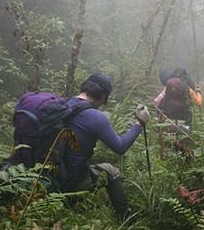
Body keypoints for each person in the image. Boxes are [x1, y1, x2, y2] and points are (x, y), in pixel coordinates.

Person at [58, 72, 150, 222]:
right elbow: (120, 147)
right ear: (103, 96)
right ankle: (126, 218)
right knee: (110, 170)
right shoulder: (95, 116)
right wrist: (140, 123)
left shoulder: (62, 105)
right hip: (69, 180)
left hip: (48, 173)